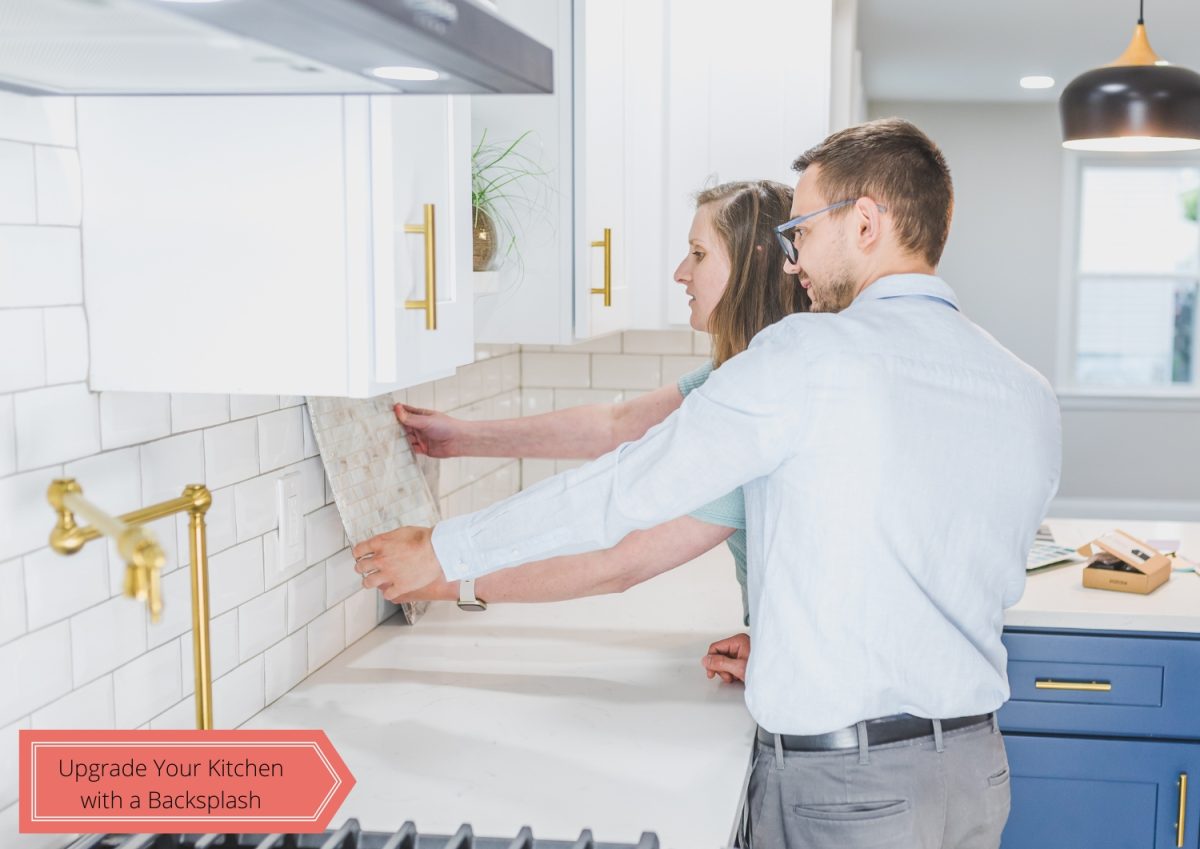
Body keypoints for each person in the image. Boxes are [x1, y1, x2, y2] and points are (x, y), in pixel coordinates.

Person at [353, 118, 1062, 849]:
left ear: (866, 222)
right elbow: (939, 562)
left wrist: (446, 550)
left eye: (805, 232)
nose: (794, 261)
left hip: (848, 790)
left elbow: (626, 488)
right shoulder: (1024, 390)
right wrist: (795, 648)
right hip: (977, 775)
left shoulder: (806, 357)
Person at [387, 179, 805, 684]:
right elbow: (619, 425)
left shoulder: (755, 401)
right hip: (792, 661)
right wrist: (464, 438)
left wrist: (439, 577)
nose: (680, 272)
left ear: (753, 261)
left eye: (698, 254)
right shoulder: (744, 372)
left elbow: (620, 563)